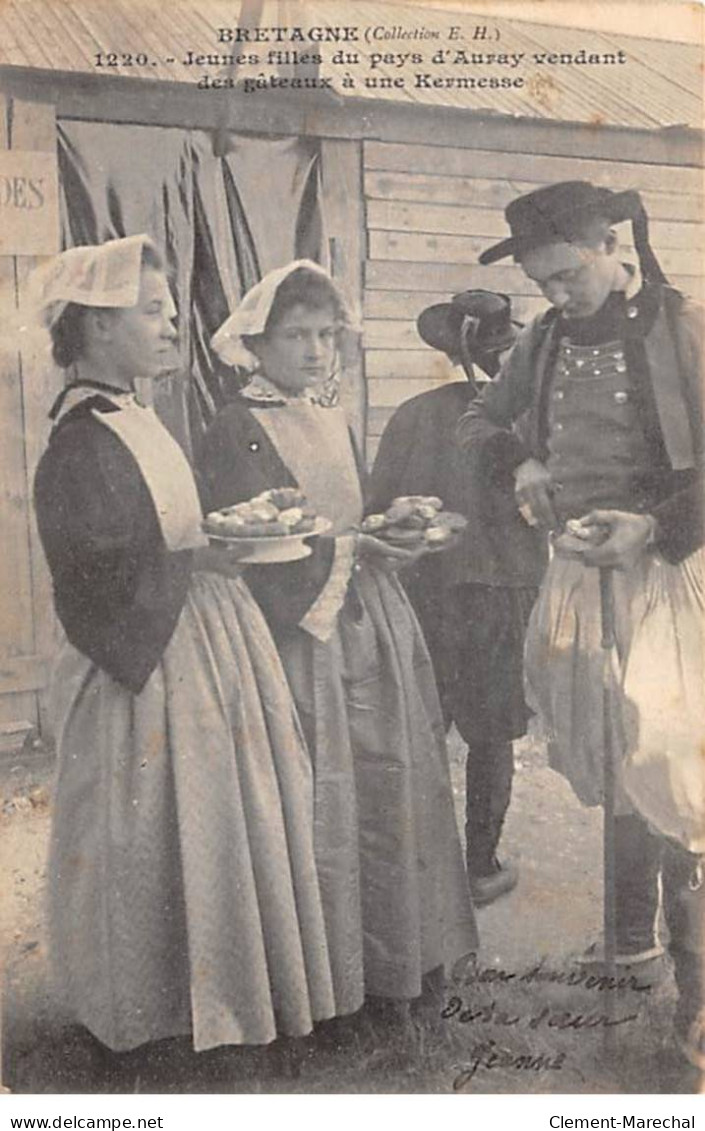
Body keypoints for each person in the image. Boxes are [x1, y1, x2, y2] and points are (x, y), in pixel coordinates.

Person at [32, 236, 341, 1056]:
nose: (174, 326)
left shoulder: (135, 414)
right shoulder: (79, 439)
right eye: (153, 312)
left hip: (200, 637)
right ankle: (150, 1007)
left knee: (215, 818)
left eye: (171, 311)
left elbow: (162, 529)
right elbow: (91, 574)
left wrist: (207, 543)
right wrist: (193, 558)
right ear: (96, 327)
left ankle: (212, 992)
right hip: (149, 662)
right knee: (152, 826)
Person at [457, 181, 703, 1068]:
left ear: (610, 246)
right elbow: (479, 417)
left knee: (674, 771)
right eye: (544, 282)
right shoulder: (546, 339)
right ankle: (628, 944)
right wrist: (520, 459)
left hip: (668, 578)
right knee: (610, 755)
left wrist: (657, 526)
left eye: (567, 274)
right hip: (578, 581)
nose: (559, 294)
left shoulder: (679, 329)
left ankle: (699, 994)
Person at [199, 260, 477, 1021]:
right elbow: (255, 547)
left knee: (390, 782)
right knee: (319, 790)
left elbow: (347, 513)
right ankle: (326, 978)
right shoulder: (235, 428)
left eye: (326, 335)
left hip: (368, 619)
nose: (316, 351)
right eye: (296, 336)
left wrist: (393, 522)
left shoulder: (333, 415)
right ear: (255, 343)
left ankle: (399, 955)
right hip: (298, 635)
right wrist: (355, 548)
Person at [368, 291, 546, 905]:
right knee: (492, 735)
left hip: (426, 594)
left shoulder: (411, 415)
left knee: (422, 731)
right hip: (505, 595)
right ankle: (479, 867)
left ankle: (414, 873)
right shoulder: (527, 425)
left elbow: (378, 509)